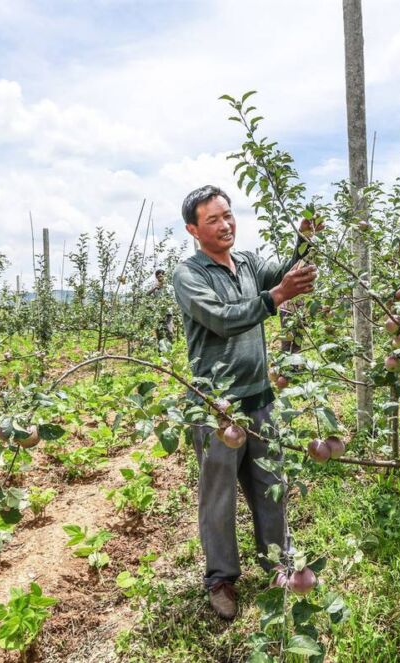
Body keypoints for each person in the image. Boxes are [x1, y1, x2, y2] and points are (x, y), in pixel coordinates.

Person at [172, 185, 317, 620]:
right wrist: (277, 298)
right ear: (193, 229)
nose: (225, 224)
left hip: (259, 398)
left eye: (228, 215)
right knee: (218, 496)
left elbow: (285, 271)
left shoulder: (249, 263)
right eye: (213, 219)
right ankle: (220, 578)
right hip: (217, 407)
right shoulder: (189, 274)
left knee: (271, 486)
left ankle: (278, 563)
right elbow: (221, 319)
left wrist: (305, 242)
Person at [144, 269, 175, 347]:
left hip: (168, 313)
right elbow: (146, 295)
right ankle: (161, 351)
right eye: (157, 277)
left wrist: (166, 303)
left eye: (161, 276)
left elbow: (173, 300)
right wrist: (154, 288)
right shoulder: (155, 288)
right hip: (158, 314)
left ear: (164, 276)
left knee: (169, 331)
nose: (159, 278)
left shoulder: (169, 287)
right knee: (159, 333)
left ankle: (170, 350)